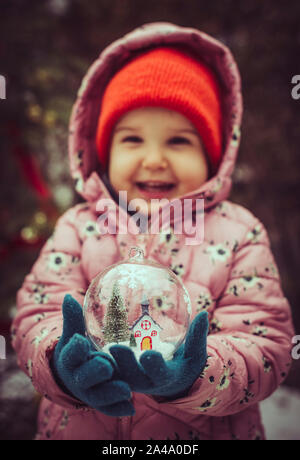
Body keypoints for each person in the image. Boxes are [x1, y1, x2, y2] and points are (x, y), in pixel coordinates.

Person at [11, 22, 294, 440]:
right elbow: (36, 317)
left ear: (212, 156)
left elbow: (268, 345)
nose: (155, 159)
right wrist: (60, 363)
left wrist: (195, 374)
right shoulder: (78, 228)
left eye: (179, 141)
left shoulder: (239, 232)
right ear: (105, 152)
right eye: (132, 139)